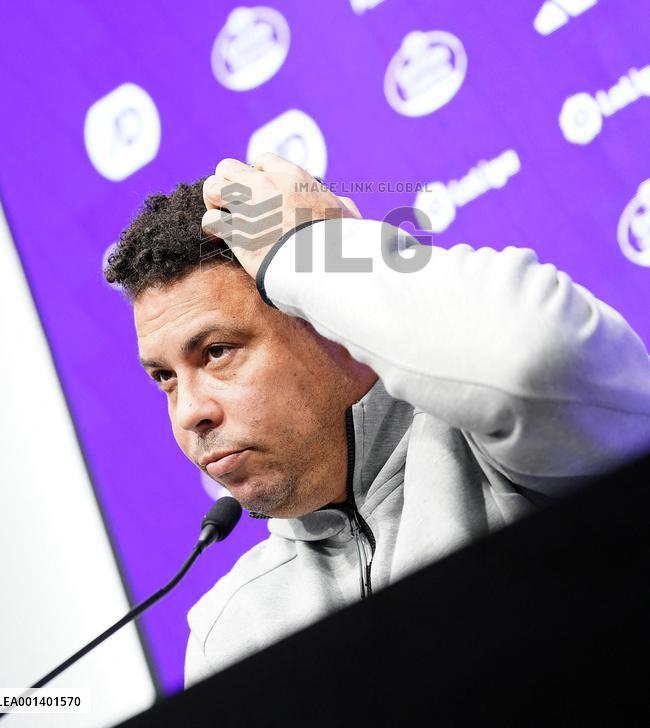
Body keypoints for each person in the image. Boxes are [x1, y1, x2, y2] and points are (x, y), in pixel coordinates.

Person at [104, 153, 650, 685]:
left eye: (217, 351)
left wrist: (316, 254)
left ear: (324, 316)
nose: (191, 412)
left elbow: (536, 358)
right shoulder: (230, 632)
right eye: (165, 378)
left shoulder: (507, 462)